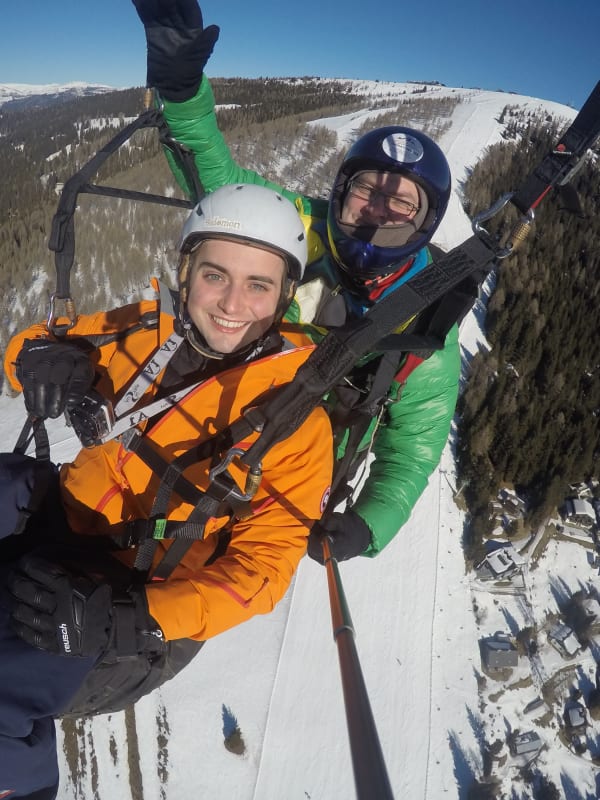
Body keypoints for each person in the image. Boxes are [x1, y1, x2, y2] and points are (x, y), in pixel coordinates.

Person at [0, 183, 332, 799]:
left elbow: (259, 573)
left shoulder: (295, 423)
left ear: (286, 296)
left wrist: (139, 619)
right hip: (66, 514)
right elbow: (36, 345)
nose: (233, 304)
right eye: (215, 275)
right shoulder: (149, 332)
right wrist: (44, 359)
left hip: (133, 599)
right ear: (186, 272)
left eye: (259, 285)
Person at [132, 0, 464, 563]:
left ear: (424, 221)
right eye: (367, 189)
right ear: (340, 192)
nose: (379, 208)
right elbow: (221, 186)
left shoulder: (427, 319)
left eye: (400, 201)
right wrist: (183, 90)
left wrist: (368, 524)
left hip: (291, 484)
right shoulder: (301, 224)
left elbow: (412, 448)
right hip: (215, 419)